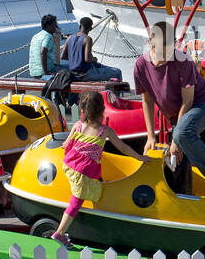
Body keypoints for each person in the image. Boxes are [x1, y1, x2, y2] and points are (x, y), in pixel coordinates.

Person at [133, 20, 205, 190]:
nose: (167, 54)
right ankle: (183, 194)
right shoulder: (141, 65)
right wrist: (150, 137)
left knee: (181, 136)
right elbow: (147, 100)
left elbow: (187, 101)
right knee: (178, 156)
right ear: (150, 42)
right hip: (175, 114)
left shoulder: (183, 60)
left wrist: (175, 139)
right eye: (163, 49)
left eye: (170, 48)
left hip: (201, 104)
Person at [52, 90, 143, 244]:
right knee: (76, 203)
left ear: (82, 110)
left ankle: (61, 229)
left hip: (70, 164)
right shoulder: (104, 131)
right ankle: (59, 233)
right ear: (102, 110)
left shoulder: (78, 125)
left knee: (80, 193)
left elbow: (66, 144)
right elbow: (123, 148)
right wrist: (139, 157)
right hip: (83, 171)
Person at [61, 16, 122, 83]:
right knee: (117, 72)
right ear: (90, 28)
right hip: (84, 74)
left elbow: (63, 56)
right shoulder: (87, 39)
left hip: (72, 73)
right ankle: (116, 93)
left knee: (102, 67)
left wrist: (75, 59)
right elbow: (87, 59)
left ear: (80, 26)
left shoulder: (69, 38)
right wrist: (94, 59)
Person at [28, 13, 65, 79]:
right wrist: (45, 72)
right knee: (70, 70)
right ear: (48, 25)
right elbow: (43, 52)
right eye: (55, 25)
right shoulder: (48, 36)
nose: (56, 27)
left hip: (34, 72)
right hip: (46, 70)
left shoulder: (36, 36)